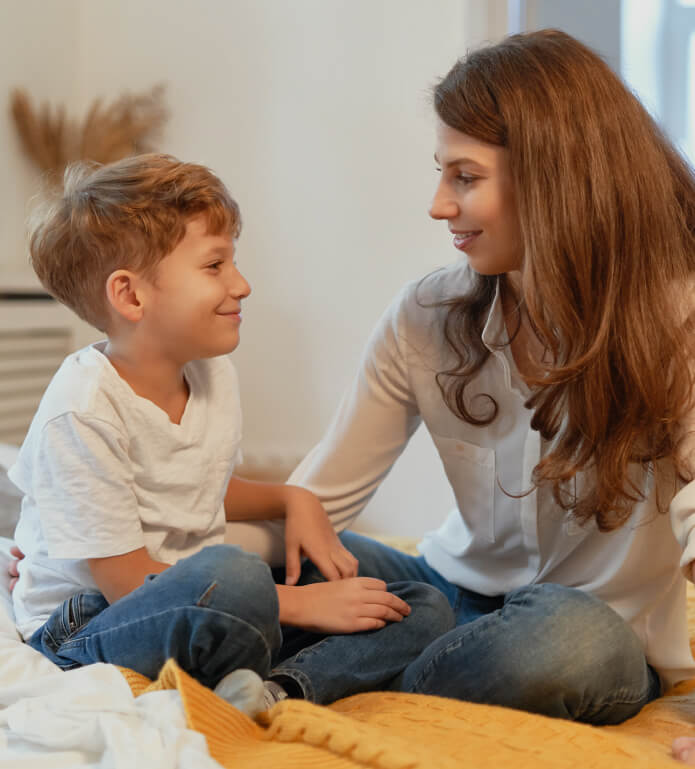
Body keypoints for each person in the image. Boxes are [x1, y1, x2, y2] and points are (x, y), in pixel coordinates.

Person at [280, 26, 695, 737]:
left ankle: (339, 672)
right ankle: (380, 660)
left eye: (463, 177)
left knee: (563, 643)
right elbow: (311, 505)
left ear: (552, 175)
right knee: (251, 548)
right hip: (445, 592)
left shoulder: (677, 318)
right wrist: (85, 550)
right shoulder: (426, 314)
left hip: (595, 629)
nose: (439, 205)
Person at [7, 154, 454, 710]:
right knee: (234, 575)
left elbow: (198, 486)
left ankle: (271, 692)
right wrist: (300, 603)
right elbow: (125, 583)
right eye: (214, 265)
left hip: (206, 607)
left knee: (422, 606)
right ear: (130, 295)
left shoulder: (210, 371)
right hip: (93, 623)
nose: (241, 284)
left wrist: (293, 499)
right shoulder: (82, 411)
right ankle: (260, 656)